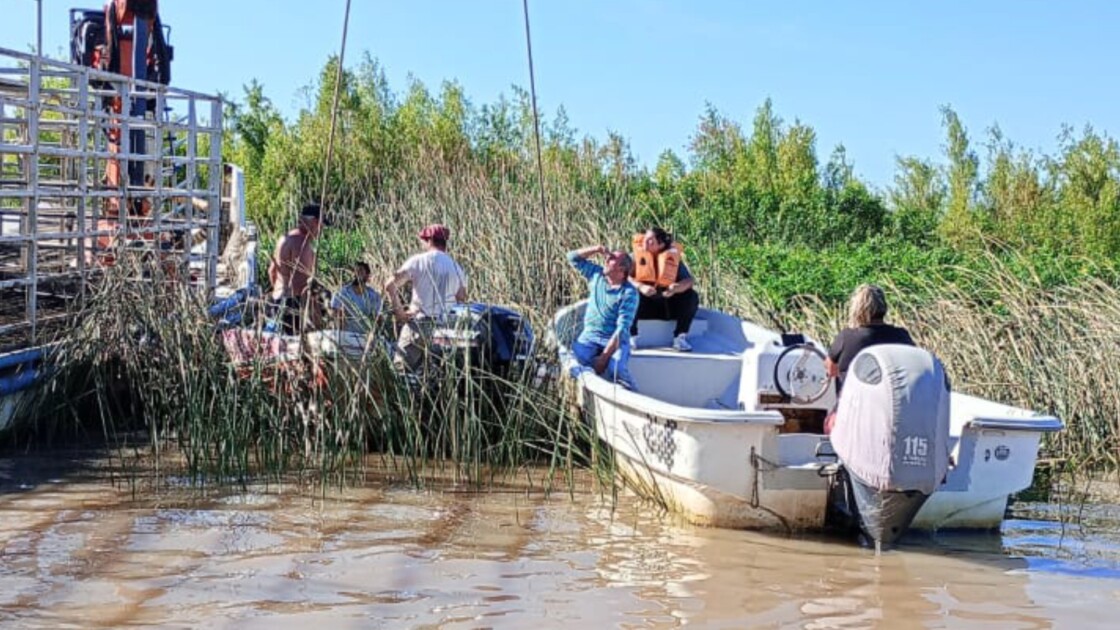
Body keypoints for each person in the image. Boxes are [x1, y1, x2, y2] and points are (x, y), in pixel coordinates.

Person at [384, 223, 468, 373]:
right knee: (438, 376)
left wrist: (400, 313)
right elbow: (462, 299)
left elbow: (390, 285)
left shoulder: (418, 261)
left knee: (401, 372)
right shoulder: (456, 267)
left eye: (423, 240)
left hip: (419, 325)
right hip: (445, 329)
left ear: (429, 240)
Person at [567, 245, 640, 389]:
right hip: (590, 336)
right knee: (573, 360)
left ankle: (632, 392)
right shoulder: (597, 276)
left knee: (616, 369)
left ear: (621, 269)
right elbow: (572, 258)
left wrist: (604, 358)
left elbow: (622, 329)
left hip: (614, 339)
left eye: (611, 259)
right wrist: (596, 249)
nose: (606, 260)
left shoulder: (629, 293)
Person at [826, 283, 915, 393]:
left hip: (855, 400)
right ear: (884, 307)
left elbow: (830, 369)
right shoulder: (901, 336)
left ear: (857, 309)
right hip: (894, 400)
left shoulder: (846, 337)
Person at [629, 227, 699, 352]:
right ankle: (631, 337)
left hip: (666, 306)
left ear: (660, 244)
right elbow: (624, 278)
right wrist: (640, 286)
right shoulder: (634, 257)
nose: (645, 242)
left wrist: (676, 288)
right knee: (629, 293)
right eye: (645, 239)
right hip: (642, 307)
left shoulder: (672, 258)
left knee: (691, 295)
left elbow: (689, 280)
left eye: (650, 240)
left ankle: (680, 338)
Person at [267, 203, 323, 334]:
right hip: (292, 306)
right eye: (321, 225)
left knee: (273, 342)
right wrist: (316, 314)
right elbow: (303, 284)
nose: (321, 230)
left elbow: (272, 271)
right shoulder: (303, 243)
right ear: (315, 222)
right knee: (292, 343)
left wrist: (279, 290)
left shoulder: (284, 238)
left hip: (276, 300)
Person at [331, 261, 382, 335]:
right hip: (346, 335)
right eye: (355, 271)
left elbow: (378, 318)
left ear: (367, 275)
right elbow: (334, 313)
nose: (357, 273)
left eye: (360, 271)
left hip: (365, 336)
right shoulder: (342, 293)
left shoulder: (374, 296)